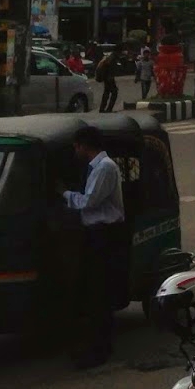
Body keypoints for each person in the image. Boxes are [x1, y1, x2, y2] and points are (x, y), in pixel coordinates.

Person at [61, 124, 126, 369]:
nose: (75, 151)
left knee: (100, 291)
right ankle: (92, 345)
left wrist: (64, 194)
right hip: (95, 233)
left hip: (104, 234)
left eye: (77, 146)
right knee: (91, 290)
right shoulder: (96, 168)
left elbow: (89, 201)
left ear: (85, 146)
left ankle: (101, 349)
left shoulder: (104, 168)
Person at [97, 47, 120, 113]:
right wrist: (111, 78)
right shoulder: (113, 58)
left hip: (106, 78)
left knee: (106, 93)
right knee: (114, 93)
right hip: (109, 78)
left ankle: (102, 109)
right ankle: (109, 109)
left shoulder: (109, 56)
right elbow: (110, 69)